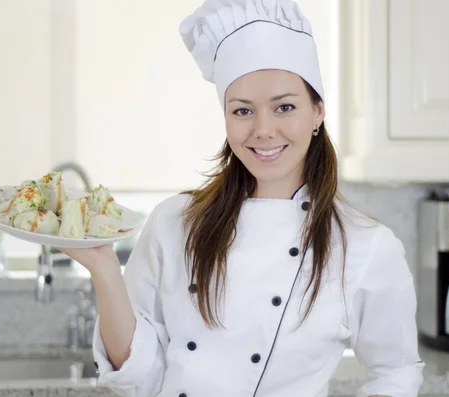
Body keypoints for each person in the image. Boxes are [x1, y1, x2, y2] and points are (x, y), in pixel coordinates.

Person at [58, 0, 424, 396]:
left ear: (318, 111)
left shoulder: (364, 246)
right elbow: (137, 377)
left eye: (284, 107)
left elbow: (395, 371)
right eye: (243, 110)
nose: (263, 130)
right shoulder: (174, 222)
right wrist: (104, 269)